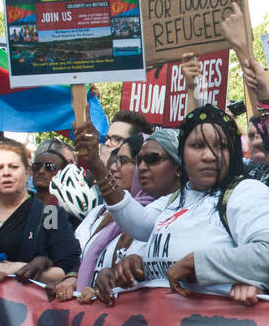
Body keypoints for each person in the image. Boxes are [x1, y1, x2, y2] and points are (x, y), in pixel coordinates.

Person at [77, 103, 269, 305]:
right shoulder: (175, 199)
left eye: (221, 146)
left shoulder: (247, 192)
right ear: (182, 155)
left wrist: (198, 264)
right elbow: (136, 224)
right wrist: (136, 264)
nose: (210, 156)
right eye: (197, 146)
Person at [76, 128, 186, 305]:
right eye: (138, 161)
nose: (141, 167)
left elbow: (140, 224)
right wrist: (109, 275)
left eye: (152, 159)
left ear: (178, 166)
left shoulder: (188, 206)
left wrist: (95, 163)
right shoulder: (105, 214)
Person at [0, 140, 81, 285]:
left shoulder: (49, 214)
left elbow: (67, 269)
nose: (6, 173)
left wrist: (18, 268)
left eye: (13, 167)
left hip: (24, 304)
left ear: (27, 171)